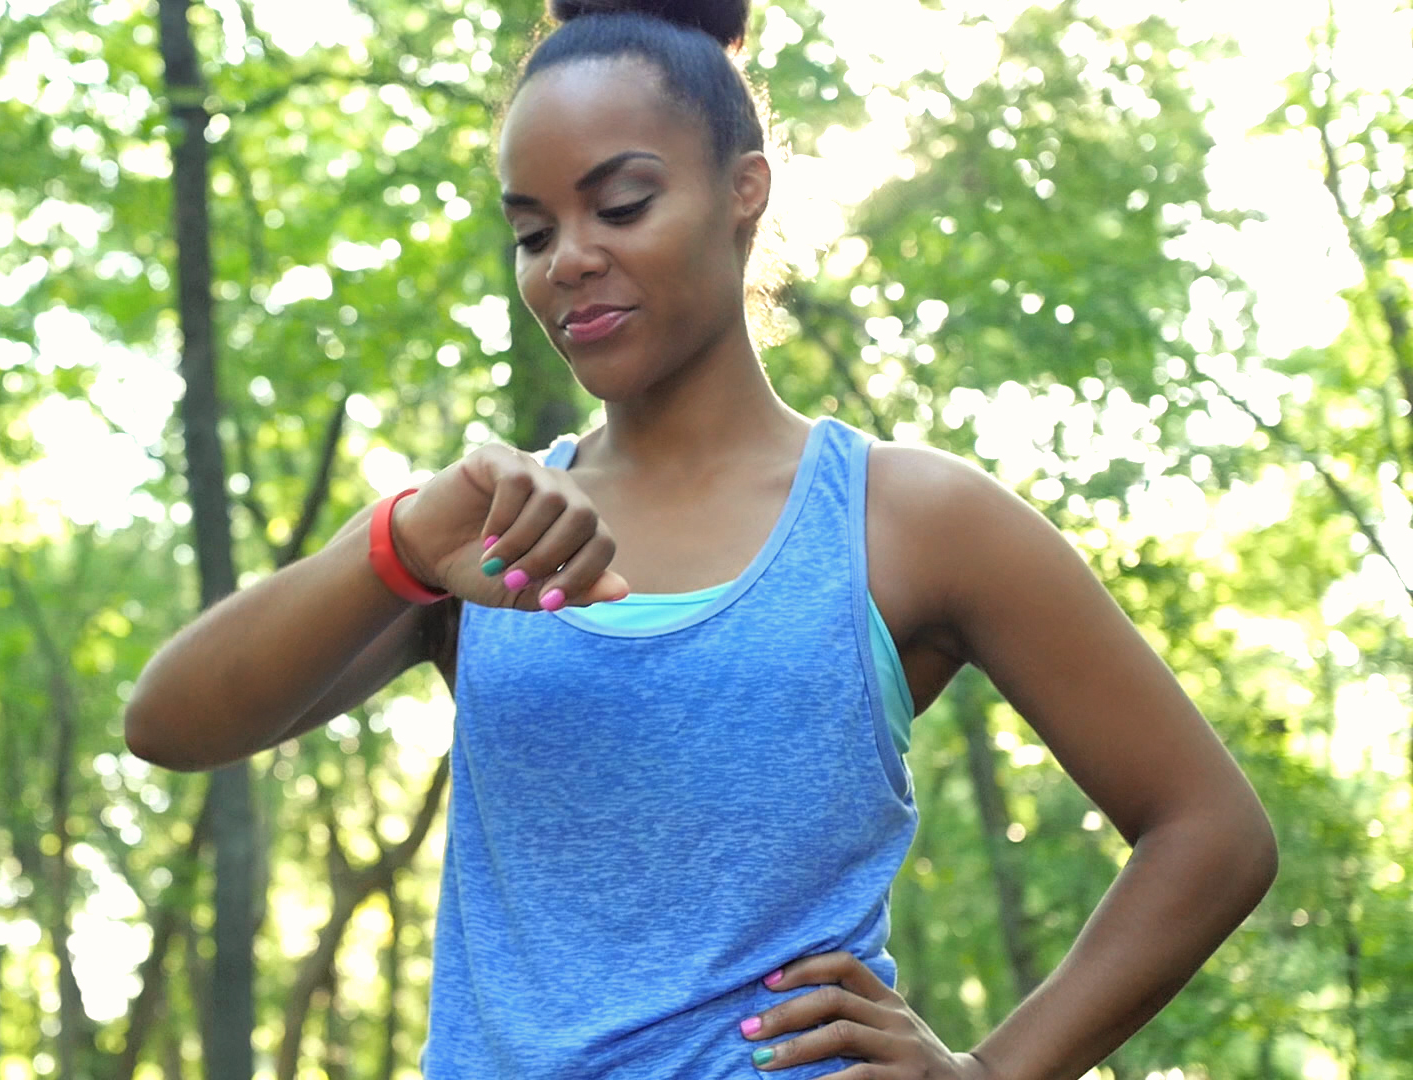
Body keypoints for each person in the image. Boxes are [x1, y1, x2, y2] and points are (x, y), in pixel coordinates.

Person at [124, 0, 1278, 1074]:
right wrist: (396, 550)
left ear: (745, 188)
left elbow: (1211, 833)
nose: (568, 258)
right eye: (532, 231)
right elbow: (170, 724)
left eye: (620, 205)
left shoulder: (907, 519)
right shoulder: (486, 533)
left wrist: (991, 1071)